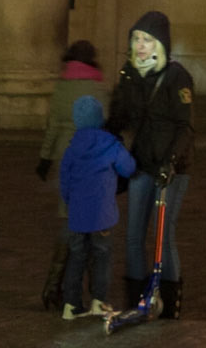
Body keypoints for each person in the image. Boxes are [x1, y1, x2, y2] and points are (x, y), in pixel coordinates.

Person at [107, 10, 194, 320]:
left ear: (161, 44)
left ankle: (169, 304)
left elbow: (185, 127)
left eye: (147, 40)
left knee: (163, 234)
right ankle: (136, 300)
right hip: (141, 166)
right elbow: (118, 120)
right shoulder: (130, 75)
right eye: (136, 39)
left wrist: (170, 163)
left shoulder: (176, 76)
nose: (140, 46)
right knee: (133, 235)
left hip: (172, 169)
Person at [38, 40, 105, 309]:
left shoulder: (62, 87)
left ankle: (53, 285)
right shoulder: (99, 88)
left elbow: (53, 126)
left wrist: (44, 158)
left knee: (68, 220)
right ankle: (92, 291)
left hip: (66, 159)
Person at [56, 93, 136, 321]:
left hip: (78, 214)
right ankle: (98, 301)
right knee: (102, 256)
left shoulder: (72, 148)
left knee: (77, 256)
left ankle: (70, 305)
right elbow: (128, 168)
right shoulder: (109, 143)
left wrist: (70, 201)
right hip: (103, 213)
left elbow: (65, 180)